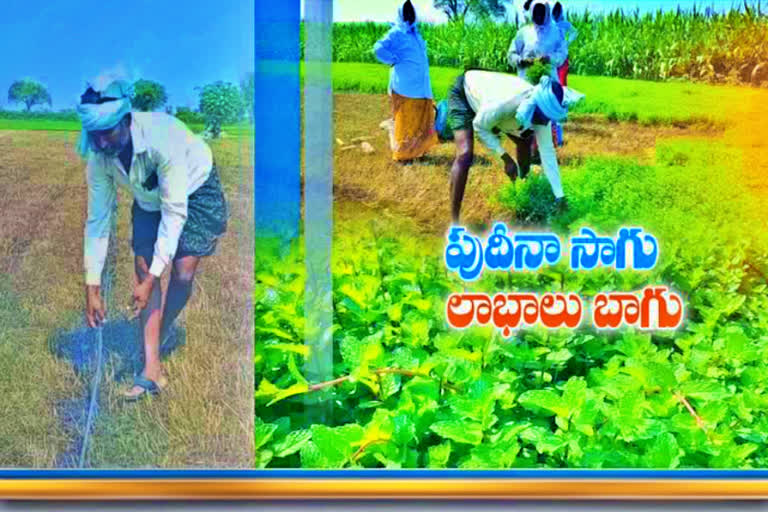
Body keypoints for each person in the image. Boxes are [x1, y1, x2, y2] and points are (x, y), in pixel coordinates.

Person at [77, 76, 229, 401]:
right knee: (143, 267)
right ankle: (152, 371)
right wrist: (92, 287)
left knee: (183, 273)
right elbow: (98, 221)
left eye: (108, 134)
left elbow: (174, 212)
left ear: (127, 121)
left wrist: (153, 278)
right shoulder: (100, 158)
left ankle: (161, 328)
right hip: (148, 199)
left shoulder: (162, 139)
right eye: (95, 136)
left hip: (193, 187)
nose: (102, 143)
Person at [446, 69, 584, 223]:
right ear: (534, 108)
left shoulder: (542, 111)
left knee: (525, 140)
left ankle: (522, 192)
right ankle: (454, 222)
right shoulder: (503, 104)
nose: (543, 124)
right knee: (465, 155)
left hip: (493, 109)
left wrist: (560, 196)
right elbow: (480, 126)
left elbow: (547, 152)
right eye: (542, 119)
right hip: (465, 93)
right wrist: (505, 157)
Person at [374, 0, 438, 163]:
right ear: (401, 14)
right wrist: (393, 60)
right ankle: (403, 155)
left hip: (421, 86)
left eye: (411, 12)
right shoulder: (396, 32)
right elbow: (378, 48)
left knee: (420, 120)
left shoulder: (416, 34)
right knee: (406, 121)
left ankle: (417, 151)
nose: (410, 15)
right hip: (405, 86)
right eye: (406, 12)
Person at [508, 0, 568, 85]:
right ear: (531, 12)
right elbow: (511, 53)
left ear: (547, 12)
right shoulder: (524, 32)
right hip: (525, 81)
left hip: (548, 82)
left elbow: (562, 54)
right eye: (535, 12)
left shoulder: (556, 33)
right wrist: (521, 61)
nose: (538, 15)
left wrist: (549, 59)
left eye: (541, 12)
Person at [551, 1, 578, 146]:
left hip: (562, 59)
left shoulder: (563, 24)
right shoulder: (550, 24)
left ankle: (558, 136)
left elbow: (575, 32)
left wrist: (567, 43)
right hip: (553, 58)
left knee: (560, 87)